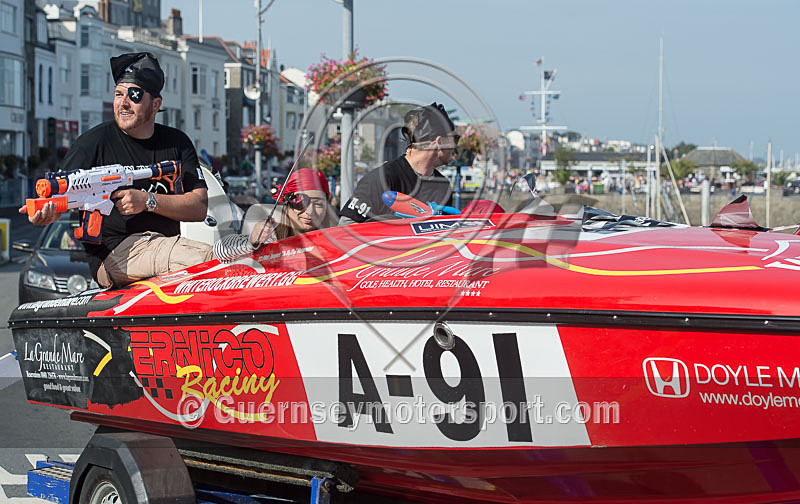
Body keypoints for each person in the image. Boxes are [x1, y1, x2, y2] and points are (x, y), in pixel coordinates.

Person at [19, 52, 211, 288]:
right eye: (118, 94)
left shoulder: (177, 142)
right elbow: (60, 197)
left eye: (134, 95)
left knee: (229, 254)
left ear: (156, 105)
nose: (124, 103)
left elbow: (199, 207)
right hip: (113, 254)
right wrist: (46, 213)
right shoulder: (91, 144)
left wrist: (148, 200)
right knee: (206, 259)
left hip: (163, 247)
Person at [338, 102, 458, 224]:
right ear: (439, 141)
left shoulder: (443, 186)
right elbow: (345, 227)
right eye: (454, 139)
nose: (455, 146)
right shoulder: (383, 178)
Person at [213, 168, 335, 262]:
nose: (310, 212)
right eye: (301, 202)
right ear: (287, 202)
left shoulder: (334, 239)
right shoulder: (271, 235)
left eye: (318, 204)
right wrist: (252, 241)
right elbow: (220, 251)